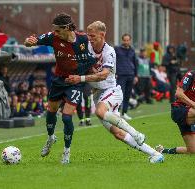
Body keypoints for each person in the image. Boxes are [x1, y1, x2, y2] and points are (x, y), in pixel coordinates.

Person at [65, 21, 164, 163]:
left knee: (99, 111)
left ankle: (136, 133)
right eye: (88, 35)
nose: (89, 38)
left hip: (111, 90)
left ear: (102, 35)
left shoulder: (109, 51)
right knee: (118, 134)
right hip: (98, 93)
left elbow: (103, 75)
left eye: (92, 35)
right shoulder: (86, 47)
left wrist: (79, 78)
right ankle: (155, 154)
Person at [24, 13, 96, 164]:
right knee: (50, 112)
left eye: (58, 30)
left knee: (66, 116)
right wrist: (29, 42)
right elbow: (34, 41)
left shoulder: (83, 39)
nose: (55, 33)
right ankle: (51, 138)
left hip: (75, 82)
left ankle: (66, 151)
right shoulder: (53, 37)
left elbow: (92, 60)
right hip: (59, 80)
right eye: (54, 30)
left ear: (67, 28)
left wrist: (85, 74)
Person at [156, 71, 195, 154]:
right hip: (179, 110)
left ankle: (162, 150)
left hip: (191, 114)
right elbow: (179, 94)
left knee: (192, 150)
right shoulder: (190, 75)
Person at [114, 34, 138, 121]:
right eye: (125, 40)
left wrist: (136, 75)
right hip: (121, 75)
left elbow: (135, 63)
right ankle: (117, 112)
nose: (126, 42)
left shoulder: (132, 50)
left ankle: (124, 113)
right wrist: (114, 72)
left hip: (131, 75)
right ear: (122, 40)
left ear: (130, 40)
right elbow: (113, 61)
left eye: (128, 40)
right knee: (120, 95)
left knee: (128, 95)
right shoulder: (117, 49)